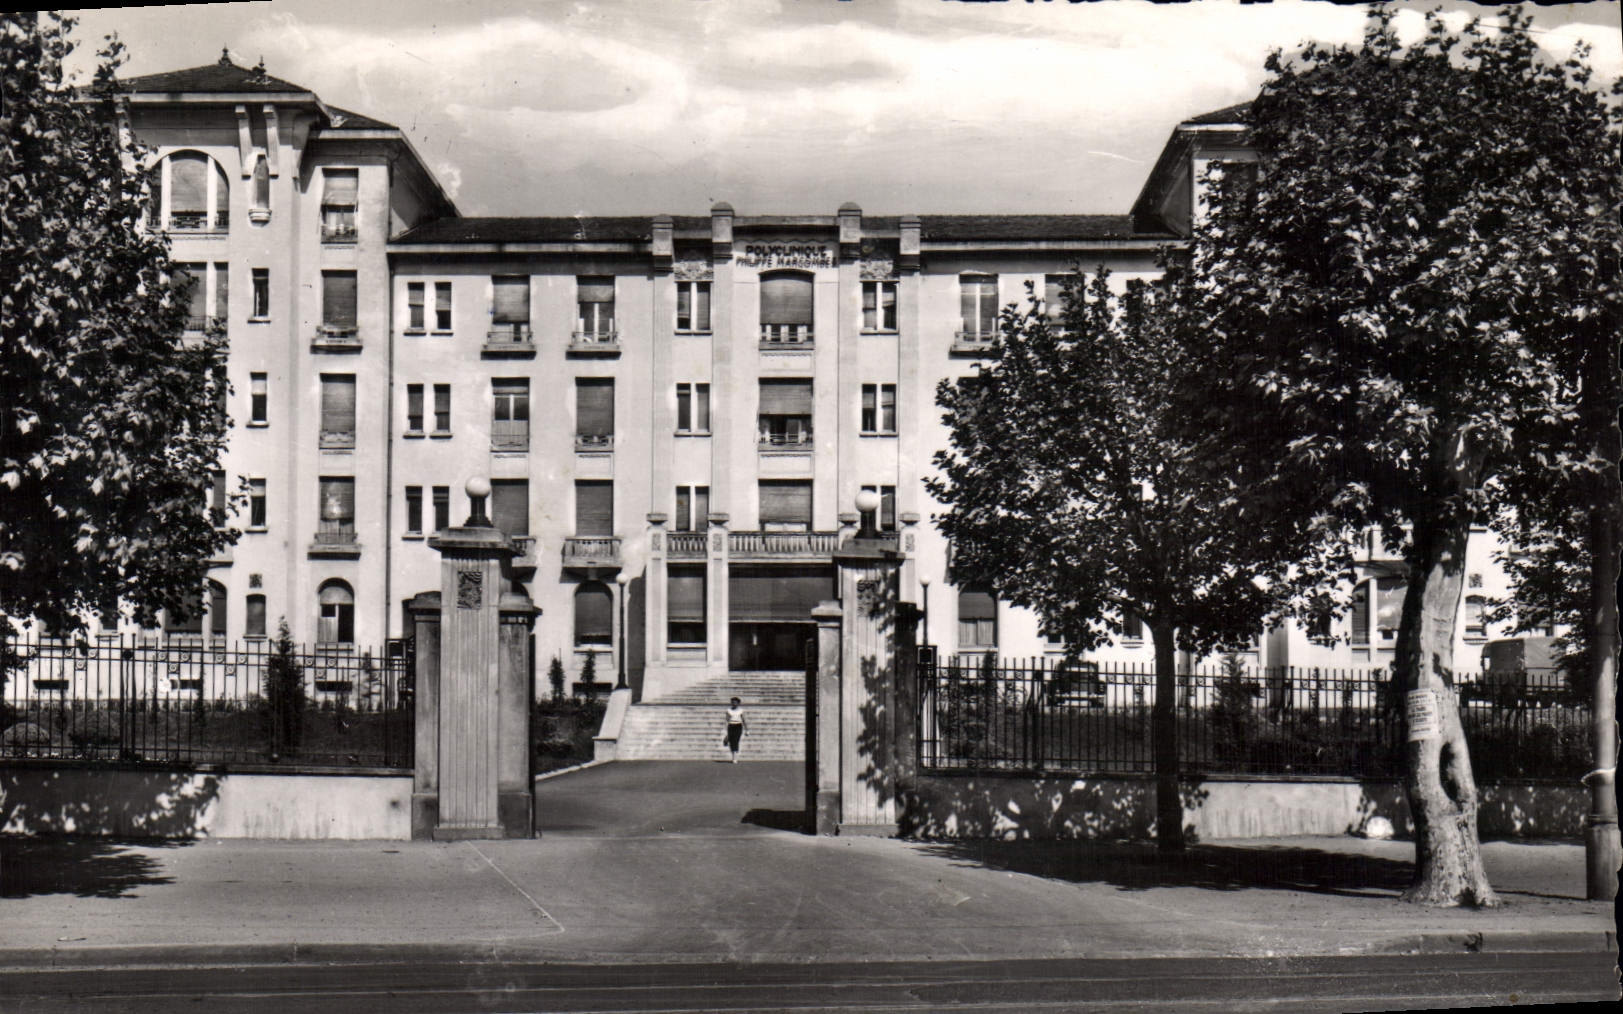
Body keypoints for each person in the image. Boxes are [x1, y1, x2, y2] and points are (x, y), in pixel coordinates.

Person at [722, 696, 746, 763]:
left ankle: (735, 756)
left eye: (735, 702)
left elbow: (743, 719)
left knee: (736, 740)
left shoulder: (741, 710)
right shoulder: (729, 710)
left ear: (738, 703)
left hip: (738, 725)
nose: (734, 704)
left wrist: (747, 729)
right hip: (731, 725)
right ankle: (733, 755)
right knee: (732, 741)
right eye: (733, 702)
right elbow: (727, 720)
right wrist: (725, 729)